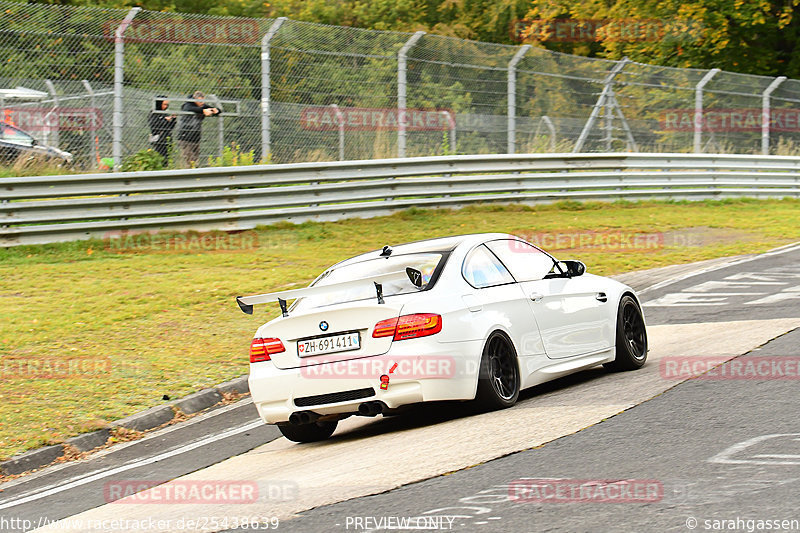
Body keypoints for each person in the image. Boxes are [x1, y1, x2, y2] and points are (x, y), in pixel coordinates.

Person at [176, 91, 220, 168]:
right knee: (189, 161)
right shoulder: (188, 105)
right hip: (185, 137)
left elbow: (213, 109)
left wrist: (216, 110)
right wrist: (203, 111)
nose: (201, 103)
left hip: (196, 138)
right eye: (199, 101)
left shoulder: (202, 105)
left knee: (195, 161)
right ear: (194, 99)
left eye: (203, 101)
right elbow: (188, 108)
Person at [148, 96, 176, 164]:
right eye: (165, 104)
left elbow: (170, 127)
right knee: (159, 158)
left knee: (167, 159)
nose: (166, 106)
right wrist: (165, 120)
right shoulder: (154, 113)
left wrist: (173, 119)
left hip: (166, 139)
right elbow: (154, 125)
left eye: (167, 104)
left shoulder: (165, 113)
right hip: (159, 140)